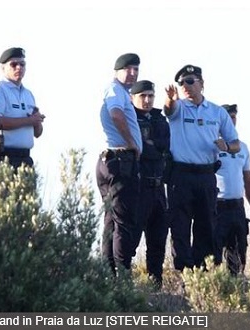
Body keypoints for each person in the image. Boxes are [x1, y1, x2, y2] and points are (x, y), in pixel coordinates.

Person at [163, 64, 240, 272]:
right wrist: (171, 98)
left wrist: (226, 146)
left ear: (201, 84)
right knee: (179, 226)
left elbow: (236, 144)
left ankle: (202, 272)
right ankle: (183, 273)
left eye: (189, 81)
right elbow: (169, 109)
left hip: (206, 175)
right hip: (180, 175)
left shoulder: (217, 112)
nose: (185, 86)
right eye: (181, 83)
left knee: (206, 225)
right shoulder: (179, 107)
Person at [96, 53, 142, 276]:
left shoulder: (122, 92)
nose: (132, 73)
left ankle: (108, 274)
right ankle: (122, 277)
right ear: (117, 71)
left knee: (112, 221)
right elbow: (115, 115)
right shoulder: (115, 90)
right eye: (128, 69)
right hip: (120, 160)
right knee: (123, 222)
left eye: (136, 69)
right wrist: (131, 143)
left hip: (114, 160)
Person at [213, 104, 250, 275]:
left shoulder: (243, 147)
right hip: (216, 206)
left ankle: (235, 291)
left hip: (237, 207)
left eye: (234, 117)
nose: (232, 120)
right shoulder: (212, 144)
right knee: (213, 256)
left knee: (238, 254)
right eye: (228, 117)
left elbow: (248, 180)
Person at [129, 80, 170, 288]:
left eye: (150, 96)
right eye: (142, 96)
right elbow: (143, 150)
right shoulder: (130, 118)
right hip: (139, 188)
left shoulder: (158, 119)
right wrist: (151, 147)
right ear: (132, 98)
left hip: (159, 188)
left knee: (158, 241)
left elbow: (164, 146)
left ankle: (156, 285)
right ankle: (124, 285)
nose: (147, 100)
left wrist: (152, 146)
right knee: (131, 239)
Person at [0, 47, 45, 169]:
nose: (19, 68)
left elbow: (37, 133)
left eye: (22, 64)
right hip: (6, 158)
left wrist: (37, 121)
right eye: (14, 64)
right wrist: (29, 121)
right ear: (3, 68)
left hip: (25, 158)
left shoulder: (28, 94)